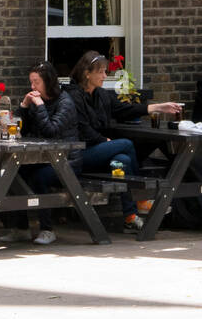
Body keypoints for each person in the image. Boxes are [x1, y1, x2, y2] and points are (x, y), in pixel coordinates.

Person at [66, 51, 183, 234]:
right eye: (101, 72)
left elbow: (125, 109)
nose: (105, 76)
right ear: (87, 73)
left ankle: (130, 217)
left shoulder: (102, 95)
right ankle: (140, 199)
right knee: (126, 144)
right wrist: (104, 140)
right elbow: (82, 129)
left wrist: (159, 107)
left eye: (106, 72)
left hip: (101, 149)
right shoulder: (73, 96)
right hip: (80, 152)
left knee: (122, 160)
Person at [0, 63, 80, 246]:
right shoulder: (37, 102)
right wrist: (24, 106)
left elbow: (51, 131)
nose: (32, 87)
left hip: (67, 160)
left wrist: (40, 106)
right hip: (42, 158)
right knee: (14, 173)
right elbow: (22, 128)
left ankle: (47, 229)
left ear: (48, 81)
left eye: (36, 82)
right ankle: (21, 229)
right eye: (31, 82)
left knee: (39, 177)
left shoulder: (65, 103)